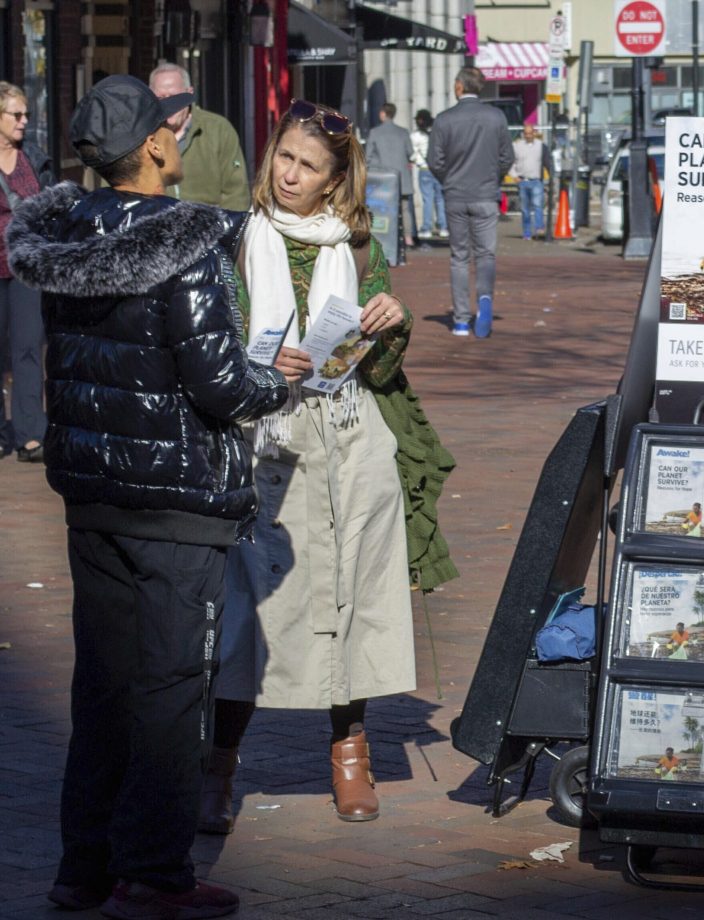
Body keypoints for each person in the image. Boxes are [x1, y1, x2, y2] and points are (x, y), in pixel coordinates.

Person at [7, 74, 289, 917]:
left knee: (103, 684)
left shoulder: (63, 241)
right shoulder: (185, 243)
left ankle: (83, 866)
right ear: (159, 147)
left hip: (93, 491)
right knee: (171, 689)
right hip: (173, 496)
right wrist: (276, 383)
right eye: (171, 131)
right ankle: (154, 873)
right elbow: (218, 385)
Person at [204, 98, 455, 834]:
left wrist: (392, 322)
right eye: (284, 157)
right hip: (268, 441)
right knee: (252, 608)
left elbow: (372, 366)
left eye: (308, 166)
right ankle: (219, 766)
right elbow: (209, 344)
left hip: (352, 436)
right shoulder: (237, 241)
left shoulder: (360, 248)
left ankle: (350, 752)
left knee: (357, 596)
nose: (289, 174)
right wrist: (256, 364)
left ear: (335, 180)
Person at [428, 66, 514, 338]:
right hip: (486, 194)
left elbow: (435, 161)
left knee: (460, 257)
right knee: (486, 254)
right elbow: (506, 157)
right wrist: (493, 177)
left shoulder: (444, 120)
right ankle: (485, 297)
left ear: (459, 87)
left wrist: (448, 179)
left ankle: (462, 319)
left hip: (455, 194)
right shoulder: (496, 117)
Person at [0, 81, 48, 463]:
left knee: (28, 347)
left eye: (26, 113)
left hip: (25, 267)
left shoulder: (32, 155)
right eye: (16, 114)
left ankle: (30, 433)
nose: (24, 121)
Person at [148, 62, 249, 210]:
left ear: (189, 93)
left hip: (208, 227)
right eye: (161, 97)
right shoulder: (140, 134)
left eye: (175, 96)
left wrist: (225, 230)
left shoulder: (218, 129)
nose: (169, 103)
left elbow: (236, 192)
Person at [365, 102, 416, 254]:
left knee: (381, 209)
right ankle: (408, 238)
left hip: (383, 178)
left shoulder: (375, 132)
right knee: (405, 209)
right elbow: (410, 152)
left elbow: (367, 156)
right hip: (402, 177)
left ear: (382, 114)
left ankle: (382, 237)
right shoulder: (404, 132)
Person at [512, 123, 552, 241]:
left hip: (536, 180)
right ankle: (527, 233)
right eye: (526, 133)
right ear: (523, 134)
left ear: (534, 133)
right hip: (523, 181)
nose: (528, 135)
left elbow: (547, 161)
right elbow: (510, 162)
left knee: (537, 204)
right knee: (525, 209)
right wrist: (514, 175)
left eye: (530, 133)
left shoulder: (541, 146)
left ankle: (539, 227)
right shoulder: (517, 146)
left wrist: (551, 176)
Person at [411, 109, 446, 239]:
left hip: (425, 170)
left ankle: (426, 227)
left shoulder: (416, 136)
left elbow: (412, 154)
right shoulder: (438, 134)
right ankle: (443, 227)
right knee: (440, 199)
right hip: (439, 169)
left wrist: (418, 161)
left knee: (427, 199)